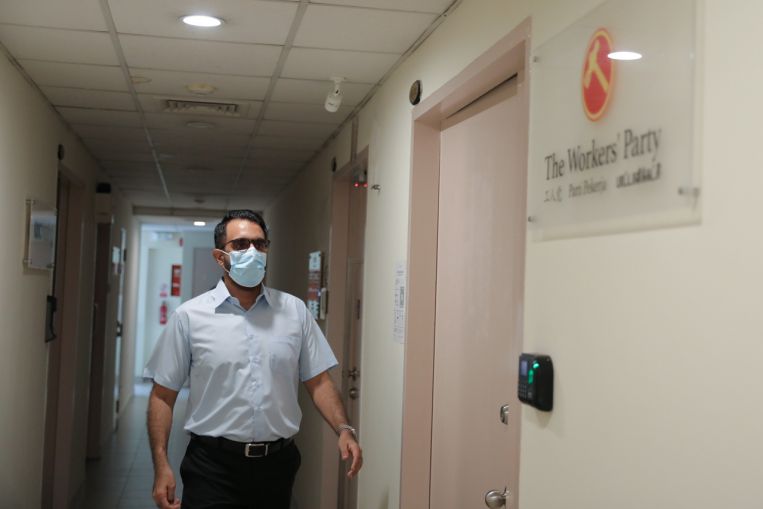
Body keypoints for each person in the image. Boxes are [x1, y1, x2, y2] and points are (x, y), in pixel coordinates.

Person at [145, 209, 362, 509]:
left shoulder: (294, 312)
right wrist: (161, 464)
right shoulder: (189, 317)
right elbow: (163, 394)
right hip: (211, 466)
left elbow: (319, 381)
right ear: (220, 257)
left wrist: (344, 429)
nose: (253, 251)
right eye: (240, 244)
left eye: (260, 244)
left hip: (276, 467)